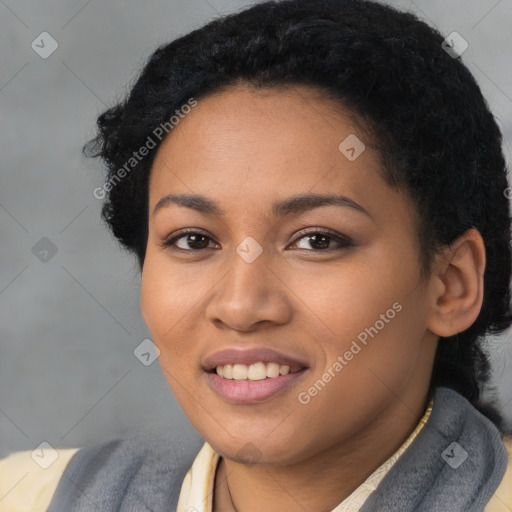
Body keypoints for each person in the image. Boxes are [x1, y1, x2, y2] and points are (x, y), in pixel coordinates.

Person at [1, 0, 511, 510]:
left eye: (316, 240)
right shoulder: (28, 495)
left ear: (451, 283)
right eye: (193, 240)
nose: (241, 307)